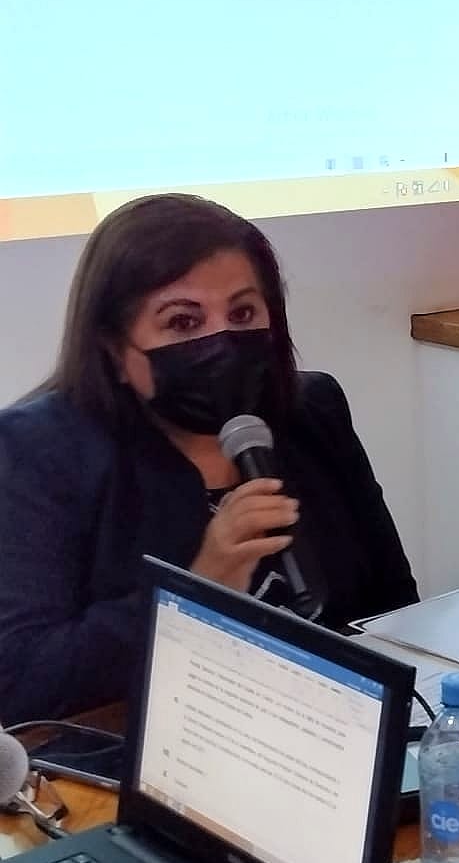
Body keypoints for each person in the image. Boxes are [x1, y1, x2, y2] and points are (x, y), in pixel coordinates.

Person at [0, 194, 418, 723]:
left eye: (242, 314)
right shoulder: (39, 451)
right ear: (115, 351)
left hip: (333, 730)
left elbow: (393, 604)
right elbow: (23, 680)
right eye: (182, 322)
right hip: (158, 741)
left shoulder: (313, 412)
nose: (221, 342)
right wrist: (202, 584)